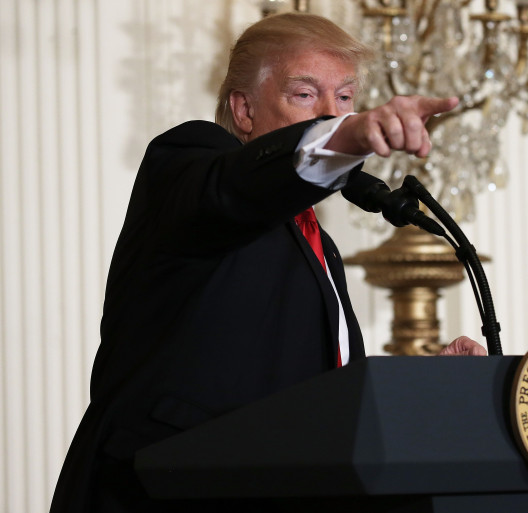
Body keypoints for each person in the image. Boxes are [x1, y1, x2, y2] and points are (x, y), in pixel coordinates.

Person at [50, 11, 485, 513]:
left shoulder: (316, 247)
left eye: (345, 97)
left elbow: (321, 402)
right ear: (243, 110)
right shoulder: (188, 163)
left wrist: (421, 388)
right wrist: (346, 136)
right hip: (159, 495)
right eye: (305, 94)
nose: (333, 113)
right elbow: (230, 192)